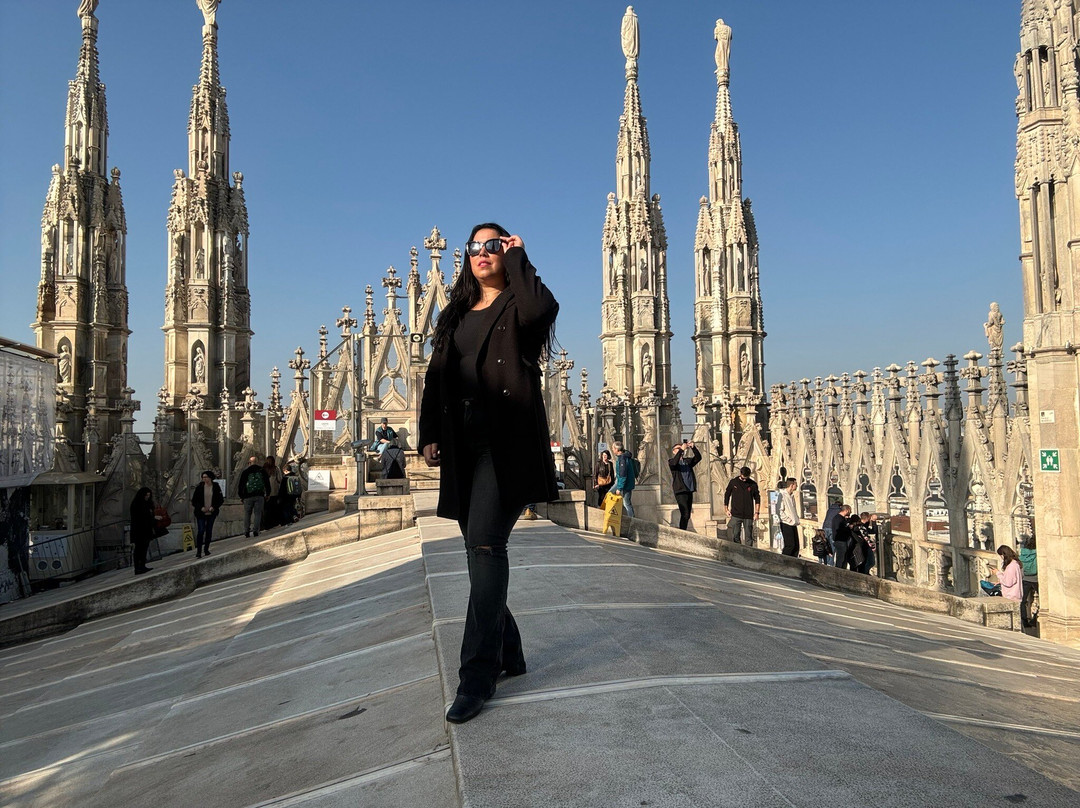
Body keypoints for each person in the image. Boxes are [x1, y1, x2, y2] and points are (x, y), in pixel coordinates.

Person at [419, 223, 559, 724]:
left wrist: (521, 258)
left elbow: (543, 309)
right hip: (463, 447)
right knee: (477, 551)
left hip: (507, 445)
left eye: (493, 245)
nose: (483, 253)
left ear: (506, 251)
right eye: (475, 247)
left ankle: (476, 676)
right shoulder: (454, 313)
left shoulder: (521, 306)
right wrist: (429, 432)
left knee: (484, 545)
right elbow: (436, 375)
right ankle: (510, 651)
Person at [668, 440, 701, 530]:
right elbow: (674, 463)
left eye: (681, 448)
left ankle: (683, 530)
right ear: (674, 451)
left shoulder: (687, 461)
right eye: (678, 449)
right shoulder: (672, 461)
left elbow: (698, 458)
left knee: (687, 515)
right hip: (680, 491)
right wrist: (681, 449)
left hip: (689, 490)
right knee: (685, 513)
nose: (680, 450)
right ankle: (682, 532)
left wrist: (693, 448)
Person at [191, 470, 224, 558]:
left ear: (210, 477)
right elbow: (194, 501)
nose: (204, 479)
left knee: (209, 531)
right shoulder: (199, 487)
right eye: (203, 477)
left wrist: (214, 507)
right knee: (201, 530)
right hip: (201, 513)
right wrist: (201, 508)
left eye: (206, 477)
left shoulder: (216, 486)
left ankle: (206, 549)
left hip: (211, 513)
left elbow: (220, 499)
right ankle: (198, 551)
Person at [724, 466, 759, 544]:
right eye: (743, 478)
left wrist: (757, 512)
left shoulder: (753, 484)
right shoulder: (733, 482)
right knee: (736, 536)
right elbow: (727, 495)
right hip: (736, 514)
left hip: (748, 514)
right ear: (740, 474)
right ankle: (737, 551)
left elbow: (757, 498)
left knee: (749, 537)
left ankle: (749, 551)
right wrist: (726, 509)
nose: (744, 480)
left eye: (746, 478)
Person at [129, 487, 160, 575]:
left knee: (144, 548)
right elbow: (140, 517)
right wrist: (153, 518)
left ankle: (142, 565)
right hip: (139, 530)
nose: (147, 497)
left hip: (146, 530)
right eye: (146, 495)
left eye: (149, 495)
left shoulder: (147, 503)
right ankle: (138, 567)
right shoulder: (137, 504)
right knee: (139, 549)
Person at [238, 456, 270, 538]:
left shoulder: (246, 472)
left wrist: (241, 496)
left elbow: (241, 485)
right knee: (258, 514)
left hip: (247, 496)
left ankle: (246, 531)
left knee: (247, 514)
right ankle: (256, 530)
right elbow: (267, 483)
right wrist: (268, 494)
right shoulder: (262, 471)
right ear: (257, 462)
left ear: (249, 463)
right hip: (259, 495)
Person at [612, 441, 638, 519]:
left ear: (617, 449)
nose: (612, 450)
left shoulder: (622, 459)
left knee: (626, 503)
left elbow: (623, 475)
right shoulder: (625, 457)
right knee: (610, 494)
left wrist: (619, 488)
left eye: (613, 448)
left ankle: (632, 519)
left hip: (625, 483)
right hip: (625, 482)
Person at [778, 477, 800, 556]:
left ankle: (794, 561)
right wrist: (788, 520)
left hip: (793, 523)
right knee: (790, 545)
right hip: (786, 523)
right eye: (796, 484)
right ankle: (783, 561)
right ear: (791, 485)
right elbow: (779, 511)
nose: (797, 486)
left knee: (796, 546)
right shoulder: (782, 495)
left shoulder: (792, 496)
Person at [830, 505, 854, 569]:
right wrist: (848, 527)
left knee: (843, 559)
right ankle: (838, 572)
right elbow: (838, 529)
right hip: (840, 541)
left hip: (842, 540)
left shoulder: (840, 518)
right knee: (841, 559)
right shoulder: (838, 518)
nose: (850, 512)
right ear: (846, 510)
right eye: (850, 510)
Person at [262, 456, 283, 530]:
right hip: (274, 492)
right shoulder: (276, 469)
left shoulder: (263, 469)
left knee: (266, 509)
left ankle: (266, 525)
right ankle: (273, 523)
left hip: (265, 492)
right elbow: (280, 479)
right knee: (274, 508)